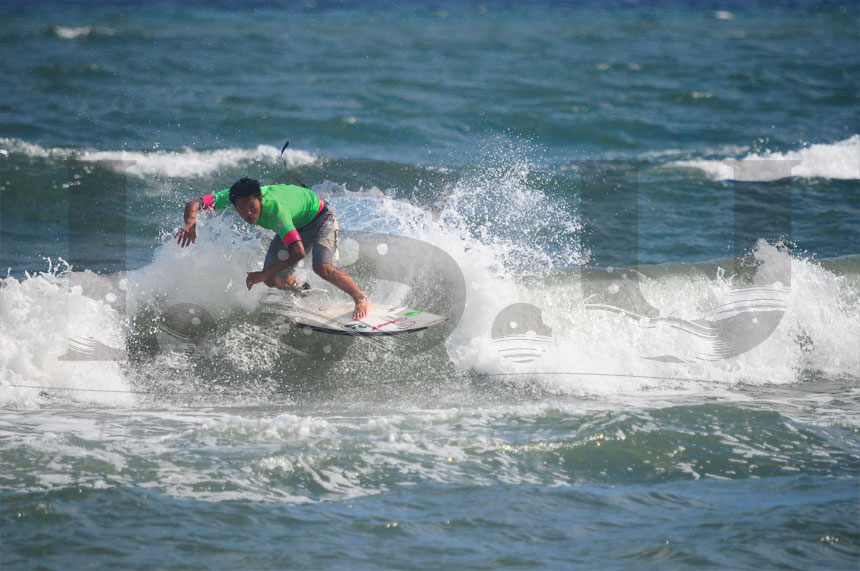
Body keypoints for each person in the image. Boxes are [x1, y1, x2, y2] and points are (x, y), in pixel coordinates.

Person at [175, 177, 371, 320]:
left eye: (252, 206)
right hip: (297, 222)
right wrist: (190, 223)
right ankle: (306, 290)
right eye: (241, 209)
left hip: (320, 218)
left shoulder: (275, 212)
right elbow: (195, 203)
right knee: (272, 279)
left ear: (259, 198)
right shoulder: (234, 197)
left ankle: (361, 298)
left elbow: (298, 252)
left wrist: (262, 273)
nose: (248, 213)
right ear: (234, 204)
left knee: (322, 267)